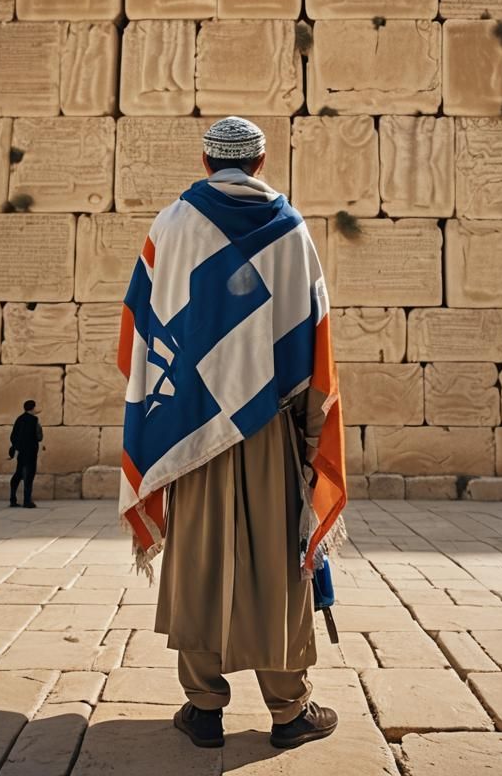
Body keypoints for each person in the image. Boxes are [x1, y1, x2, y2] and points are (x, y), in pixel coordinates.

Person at [118, 117, 347, 751]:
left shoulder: (172, 225)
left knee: (198, 558)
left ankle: (205, 708)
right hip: (269, 432)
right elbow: (312, 345)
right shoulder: (292, 229)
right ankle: (288, 710)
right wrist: (309, 443)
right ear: (262, 160)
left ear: (205, 159)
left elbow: (142, 328)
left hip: (191, 430)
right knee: (278, 560)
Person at [9, 400, 42, 508]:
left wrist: (17, 447)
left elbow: (13, 436)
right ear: (32, 408)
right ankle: (27, 501)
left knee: (18, 474)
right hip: (31, 452)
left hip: (21, 453)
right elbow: (39, 437)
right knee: (29, 476)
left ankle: (13, 499)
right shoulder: (34, 420)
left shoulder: (19, 419)